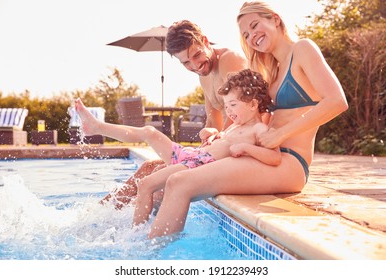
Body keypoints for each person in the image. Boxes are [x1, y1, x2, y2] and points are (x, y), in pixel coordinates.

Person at [146, 1, 348, 239]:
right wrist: (220, 134)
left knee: (180, 183)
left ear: (274, 18)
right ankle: (146, 239)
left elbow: (336, 101)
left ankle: (151, 257)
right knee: (169, 179)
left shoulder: (302, 49)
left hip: (289, 163)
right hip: (262, 155)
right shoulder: (271, 69)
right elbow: (251, 118)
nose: (252, 36)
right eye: (246, 34)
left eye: (255, 26)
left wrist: (279, 135)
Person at [74, 69, 279, 226]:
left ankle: (136, 232)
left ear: (253, 104)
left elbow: (274, 158)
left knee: (146, 184)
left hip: (198, 165)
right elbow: (226, 142)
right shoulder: (237, 126)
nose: (229, 111)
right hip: (191, 156)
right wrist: (216, 134)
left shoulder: (259, 128)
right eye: (226, 106)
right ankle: (97, 127)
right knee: (149, 132)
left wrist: (247, 148)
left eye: (233, 105)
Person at [100, 20, 248, 208]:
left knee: (162, 183)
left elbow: (241, 115)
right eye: (186, 62)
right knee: (149, 168)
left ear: (205, 41)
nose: (195, 66)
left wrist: (205, 152)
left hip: (240, 148)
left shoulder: (229, 60)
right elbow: (213, 120)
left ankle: (130, 229)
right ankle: (100, 214)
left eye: (197, 55)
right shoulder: (204, 75)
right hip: (223, 146)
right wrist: (205, 142)